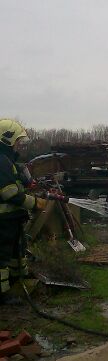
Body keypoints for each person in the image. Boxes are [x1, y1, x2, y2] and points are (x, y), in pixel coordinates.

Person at [0, 119, 46, 303]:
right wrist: (35, 203)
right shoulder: (1, 161)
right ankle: (2, 295)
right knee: (2, 256)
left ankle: (18, 277)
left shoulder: (8, 160)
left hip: (11, 217)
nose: (20, 146)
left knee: (16, 250)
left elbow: (18, 182)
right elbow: (10, 193)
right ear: (6, 140)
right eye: (17, 142)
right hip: (3, 219)